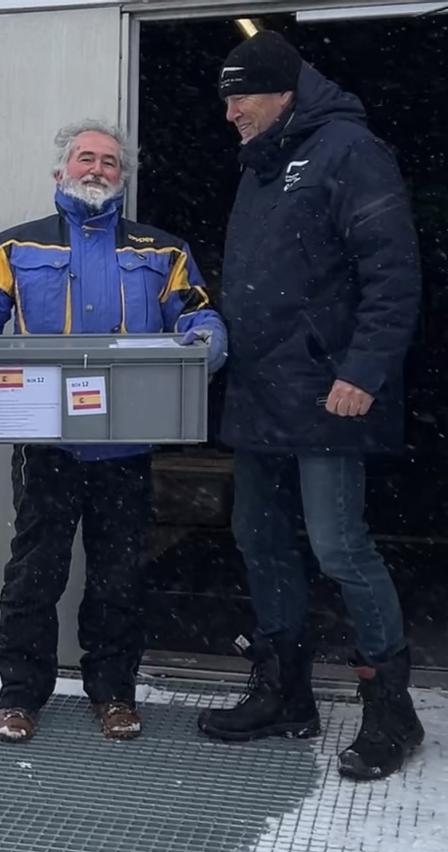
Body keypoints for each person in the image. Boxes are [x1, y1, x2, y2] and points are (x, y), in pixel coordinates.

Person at [0, 121, 227, 743]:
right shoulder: (17, 247)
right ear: (60, 172)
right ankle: (19, 695)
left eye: (110, 162)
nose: (97, 169)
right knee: (35, 572)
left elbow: (198, 312)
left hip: (127, 446)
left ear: (123, 177)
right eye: (85, 158)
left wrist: (208, 339)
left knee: (119, 573)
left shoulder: (161, 251)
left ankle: (114, 692)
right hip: (47, 445)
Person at [197, 31, 424, 781]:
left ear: (283, 93)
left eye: (241, 96)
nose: (230, 112)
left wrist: (363, 368)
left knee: (338, 545)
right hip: (261, 392)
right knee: (257, 535)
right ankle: (285, 692)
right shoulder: (262, 165)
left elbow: (393, 272)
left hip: (329, 390)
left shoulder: (348, 151)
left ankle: (392, 711)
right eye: (227, 98)